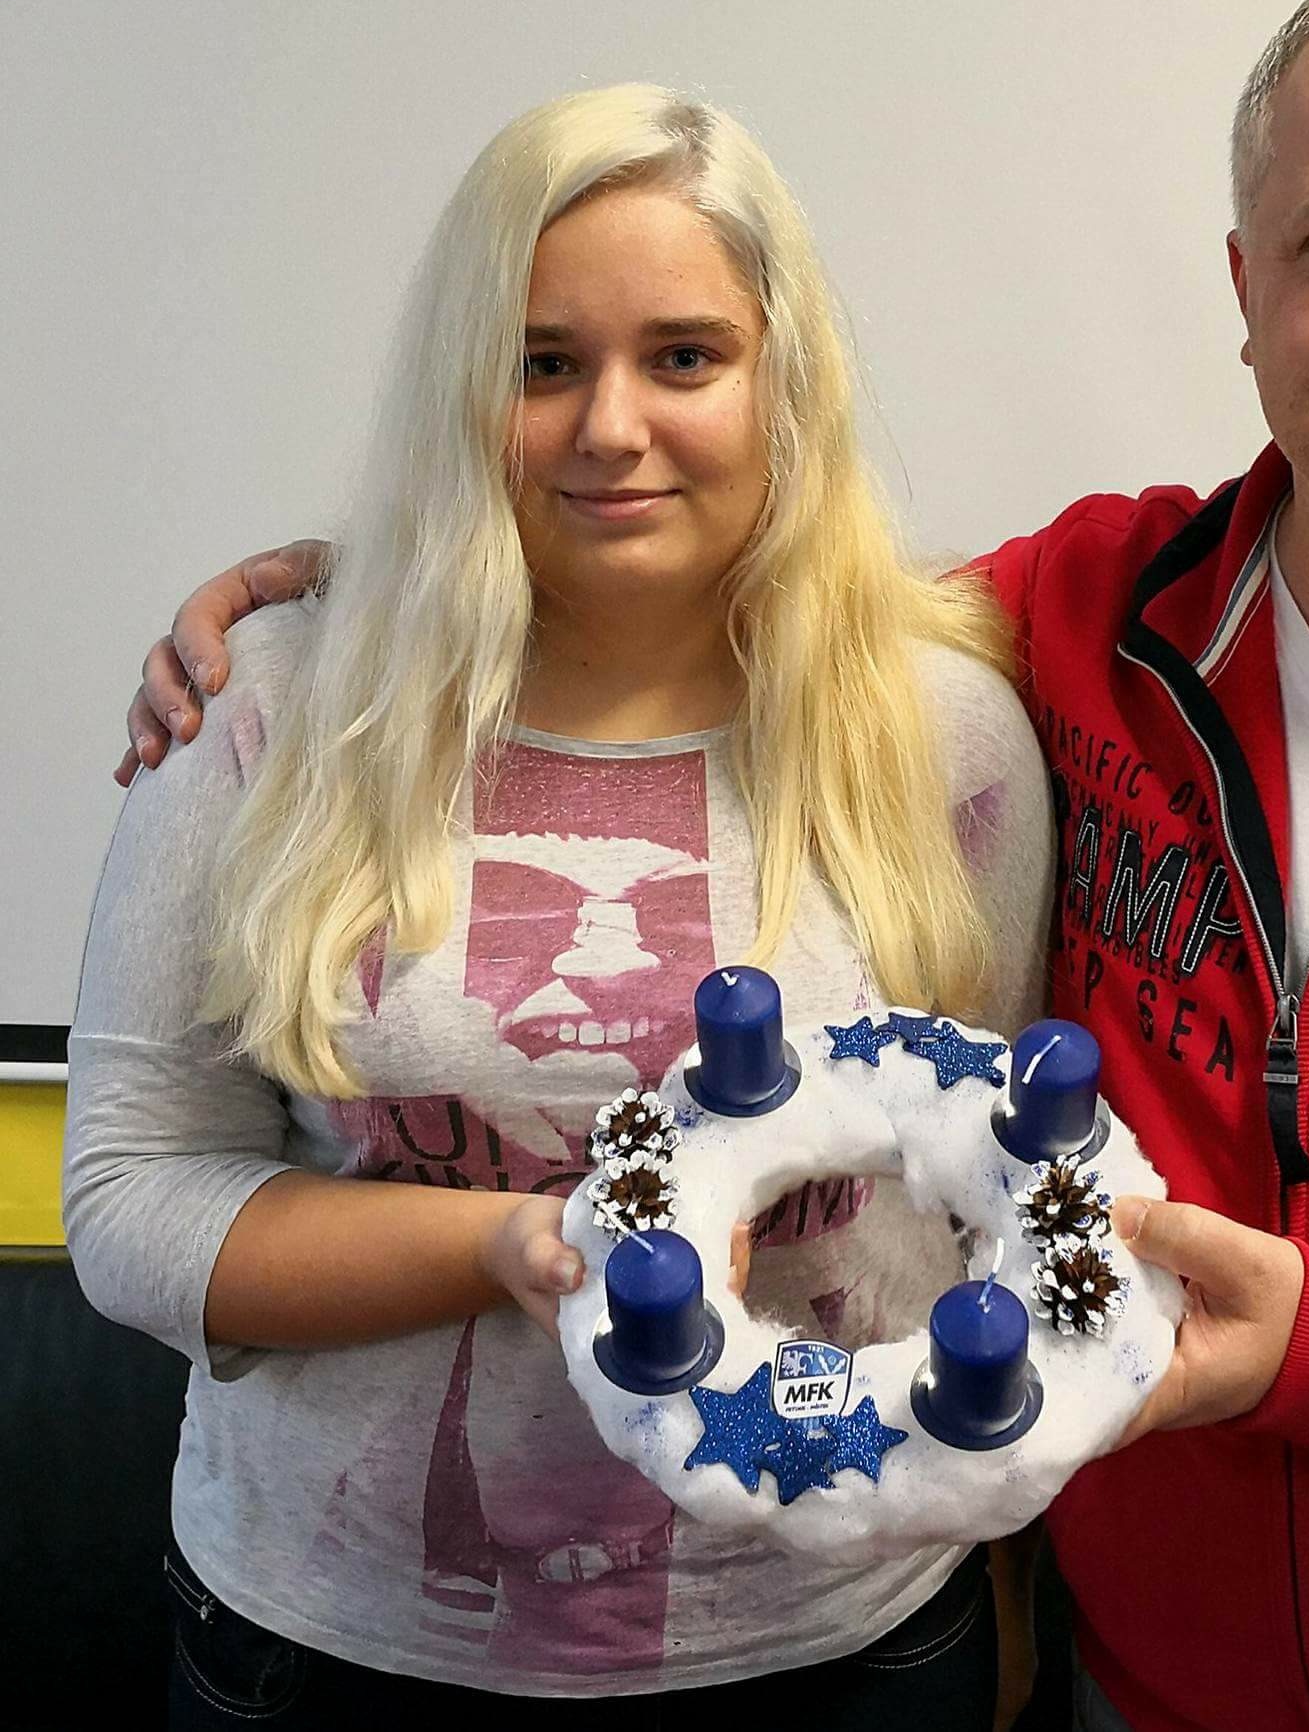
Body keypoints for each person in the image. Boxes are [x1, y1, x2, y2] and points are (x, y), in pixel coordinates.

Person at [117, 0, 1309, 1732]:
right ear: (1246, 286)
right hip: (1131, 1682)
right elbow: (696, 585)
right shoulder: (1082, 623)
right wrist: (388, 577)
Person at [69, 83, 1054, 1727]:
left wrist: (1009, 1550)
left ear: (780, 380)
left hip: (843, 1634)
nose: (610, 425)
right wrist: (521, 1244)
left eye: (684, 356)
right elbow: (129, 1195)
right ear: (465, 388)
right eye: (541, 364)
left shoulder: (941, 735)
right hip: (341, 1651)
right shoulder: (271, 713)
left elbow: (993, 1188)